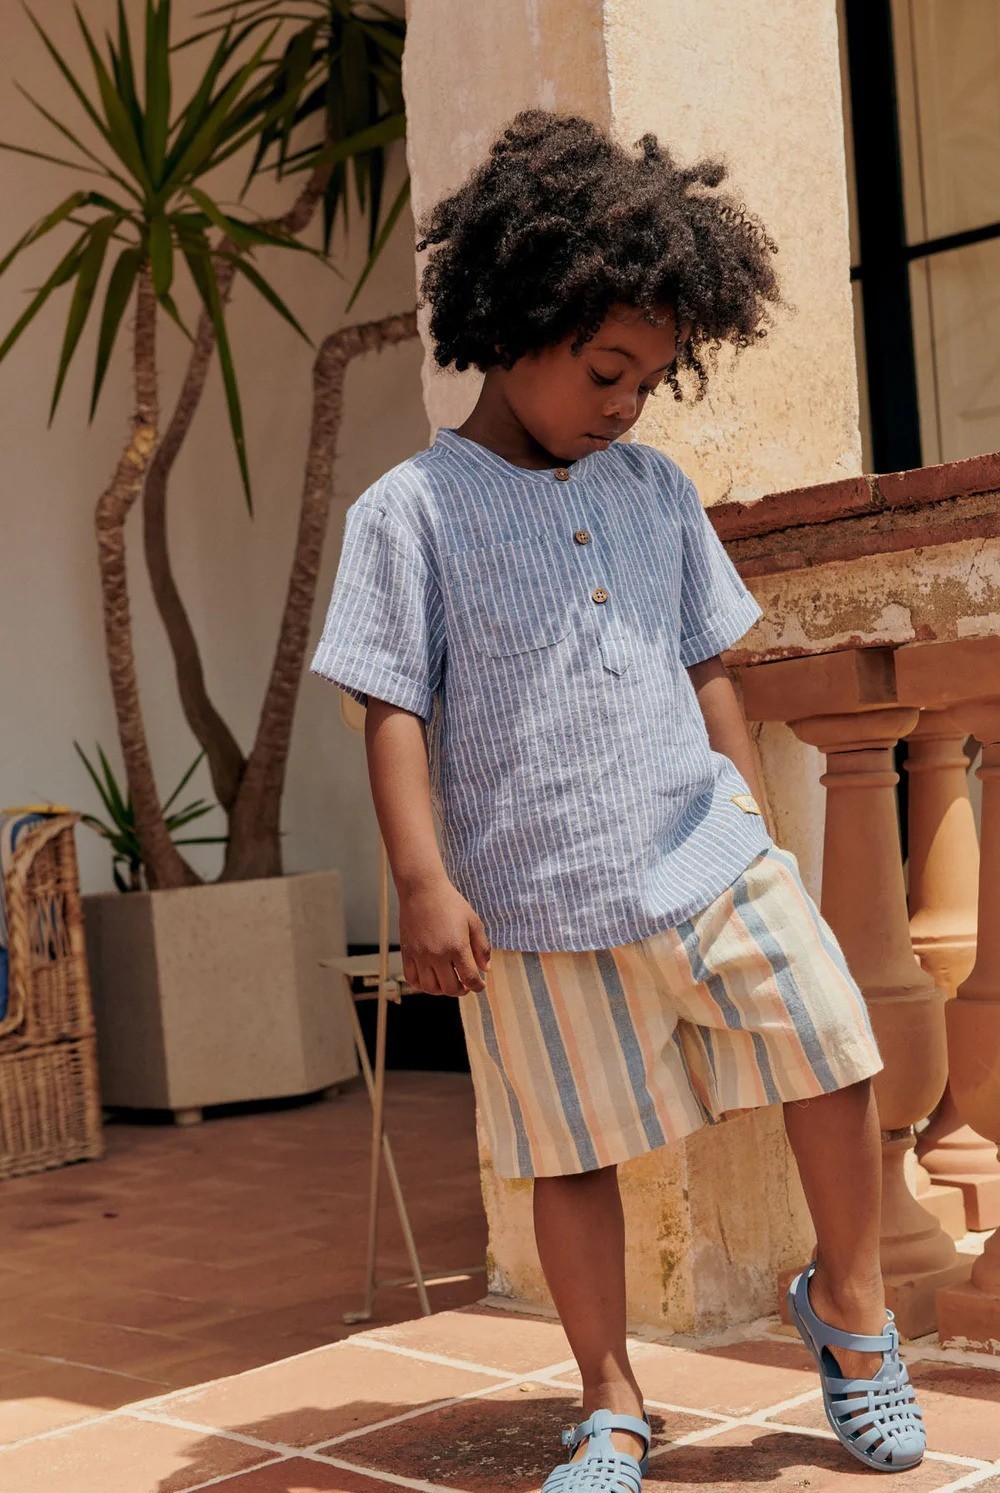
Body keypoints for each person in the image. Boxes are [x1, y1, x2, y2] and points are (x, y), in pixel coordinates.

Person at [312, 110, 926, 1490]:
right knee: (572, 1152)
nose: (627, 405)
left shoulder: (654, 490)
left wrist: (747, 810)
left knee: (836, 1044)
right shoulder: (410, 514)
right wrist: (423, 882)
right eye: (606, 372)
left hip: (705, 856)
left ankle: (852, 1310)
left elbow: (706, 663)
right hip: (532, 903)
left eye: (650, 380)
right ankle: (610, 1400)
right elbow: (391, 708)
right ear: (516, 319)